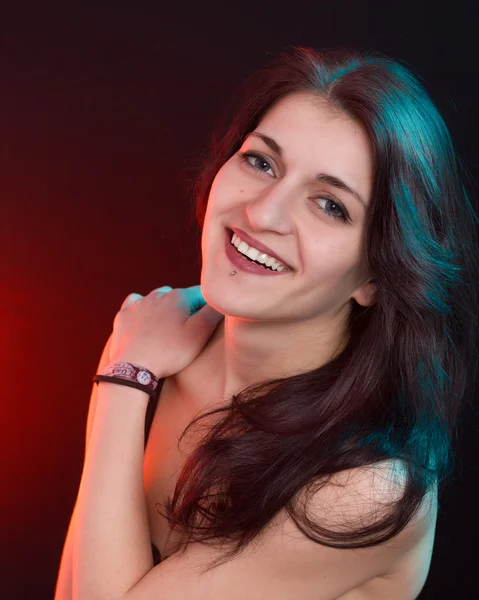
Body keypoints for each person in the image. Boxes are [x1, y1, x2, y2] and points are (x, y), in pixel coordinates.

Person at [54, 46, 479, 599]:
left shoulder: (362, 488)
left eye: (329, 204)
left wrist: (122, 377)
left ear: (377, 276)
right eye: (260, 161)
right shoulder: (170, 339)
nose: (263, 212)